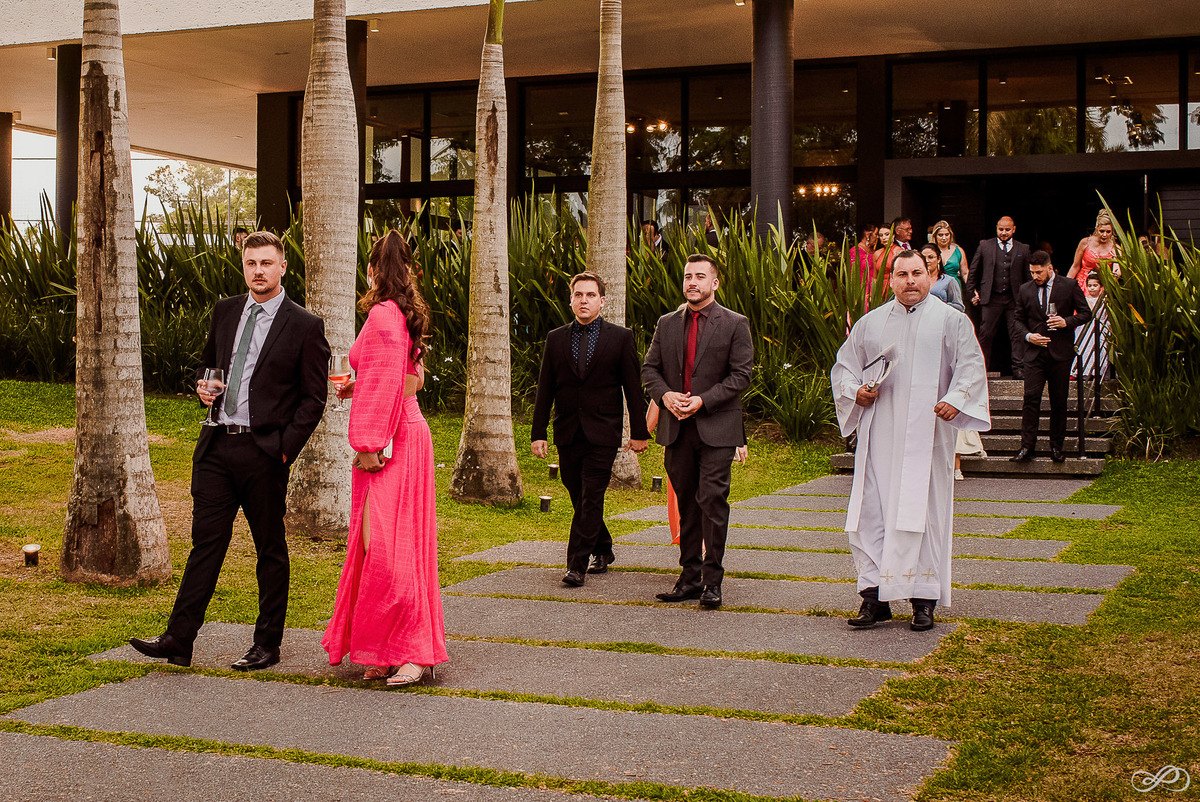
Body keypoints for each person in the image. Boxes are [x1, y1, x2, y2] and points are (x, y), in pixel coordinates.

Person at [130, 231, 330, 670]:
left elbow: (314, 399)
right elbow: (208, 362)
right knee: (206, 544)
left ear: (282, 268)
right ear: (245, 267)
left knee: (269, 548)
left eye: (266, 263)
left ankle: (267, 644)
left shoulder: (304, 325)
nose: (258, 271)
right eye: (251, 263)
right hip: (217, 445)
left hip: (264, 454)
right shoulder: (225, 311)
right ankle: (179, 640)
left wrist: (282, 451)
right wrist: (204, 385)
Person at [831, 250, 989, 632]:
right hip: (878, 435)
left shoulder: (952, 321)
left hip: (928, 435)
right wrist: (856, 392)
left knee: (924, 514)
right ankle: (874, 598)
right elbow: (843, 369)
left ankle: (923, 598)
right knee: (872, 513)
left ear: (931, 275)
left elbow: (970, 365)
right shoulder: (871, 324)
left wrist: (954, 399)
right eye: (901, 274)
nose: (910, 281)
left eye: (917, 272)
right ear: (890, 279)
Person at [320, 231, 448, 686]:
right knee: (392, 546)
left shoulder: (380, 315)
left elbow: (396, 382)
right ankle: (390, 648)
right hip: (409, 431)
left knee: (387, 549)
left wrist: (369, 444)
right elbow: (409, 379)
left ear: (372, 270)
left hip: (392, 439)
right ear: (407, 271)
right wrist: (359, 384)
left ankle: (411, 651)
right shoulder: (402, 315)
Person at [642, 254, 753, 608]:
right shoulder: (667, 323)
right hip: (677, 428)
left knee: (712, 501)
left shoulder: (735, 323)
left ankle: (712, 581)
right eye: (688, 276)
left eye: (700, 276)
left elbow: (741, 376)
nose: (692, 282)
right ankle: (689, 577)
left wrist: (703, 401)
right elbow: (649, 370)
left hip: (717, 427)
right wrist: (666, 395)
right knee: (686, 504)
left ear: (714, 283)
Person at [531, 272, 650, 586]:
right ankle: (604, 547)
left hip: (603, 432)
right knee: (578, 493)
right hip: (568, 431)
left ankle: (576, 565)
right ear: (571, 300)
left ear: (602, 301)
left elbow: (633, 389)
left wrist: (639, 432)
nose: (584, 300)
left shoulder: (620, 337)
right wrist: (538, 432)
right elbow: (545, 388)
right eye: (578, 295)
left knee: (591, 497)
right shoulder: (556, 338)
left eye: (590, 295)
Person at [1010, 250, 1092, 464]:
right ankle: (1027, 447)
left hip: (1060, 353)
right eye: (1032, 272)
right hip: (1034, 353)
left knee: (1058, 401)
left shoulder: (1068, 285)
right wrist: (1029, 336)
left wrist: (1066, 322)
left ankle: (1056, 446)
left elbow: (1085, 313)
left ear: (1049, 267)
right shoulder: (1025, 289)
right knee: (1031, 399)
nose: (1035, 276)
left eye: (1038, 272)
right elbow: (1017, 320)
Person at [966, 215, 1032, 378]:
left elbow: (1028, 276)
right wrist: (971, 291)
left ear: (1014, 229)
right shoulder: (985, 245)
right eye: (1001, 229)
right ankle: (981, 367)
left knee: (1016, 333)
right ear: (996, 228)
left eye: (1007, 230)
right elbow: (974, 270)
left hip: (1013, 298)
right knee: (985, 333)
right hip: (991, 297)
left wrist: (1029, 298)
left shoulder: (1023, 248)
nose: (1003, 233)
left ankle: (1018, 368)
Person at [1067, 211, 1121, 292]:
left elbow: (1116, 272)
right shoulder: (1085, 242)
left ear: (1112, 232)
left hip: (1103, 288)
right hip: (1082, 285)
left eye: (1108, 232)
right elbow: (1075, 266)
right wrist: (1065, 285)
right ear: (1096, 229)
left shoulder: (1116, 248)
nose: (1105, 235)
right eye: (1102, 231)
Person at [1075, 272, 1111, 381]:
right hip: (1088, 326)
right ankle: (1086, 371)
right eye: (1089, 286)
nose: (1092, 288)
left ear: (1101, 287)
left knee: (1101, 349)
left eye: (1095, 285)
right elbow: (1090, 312)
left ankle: (1101, 371)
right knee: (1086, 347)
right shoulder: (1085, 299)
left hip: (1101, 326)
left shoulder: (1105, 300)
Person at [923, 245, 964, 312]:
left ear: (939, 259)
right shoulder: (917, 281)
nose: (927, 261)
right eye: (924, 258)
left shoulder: (949, 280)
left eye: (931, 257)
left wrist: (940, 305)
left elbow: (959, 307)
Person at [931, 220, 968, 289]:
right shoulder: (930, 251)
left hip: (954, 287)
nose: (944, 238)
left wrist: (972, 290)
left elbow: (965, 273)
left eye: (947, 234)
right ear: (935, 236)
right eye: (940, 235)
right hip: (935, 286)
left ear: (951, 235)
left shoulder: (958, 250)